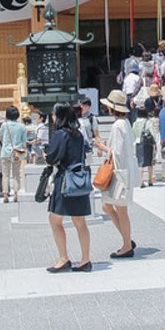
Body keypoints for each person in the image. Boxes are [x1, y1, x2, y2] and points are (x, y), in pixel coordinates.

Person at [44, 102, 92, 273]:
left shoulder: (60, 134)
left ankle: (63, 257)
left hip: (65, 181)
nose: (52, 117)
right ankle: (85, 259)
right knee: (80, 222)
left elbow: (52, 157)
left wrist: (46, 153)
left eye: (54, 114)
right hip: (79, 180)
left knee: (55, 220)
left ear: (60, 116)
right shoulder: (78, 134)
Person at [99, 89, 138, 258]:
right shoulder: (125, 123)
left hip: (119, 172)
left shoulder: (117, 125)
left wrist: (102, 147)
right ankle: (127, 239)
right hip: (124, 170)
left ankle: (127, 245)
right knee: (109, 206)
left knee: (119, 209)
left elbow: (116, 153)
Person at [0, 106, 28, 203]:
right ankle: (16, 194)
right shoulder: (22, 126)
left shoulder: (4, 125)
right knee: (16, 174)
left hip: (6, 152)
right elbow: (24, 141)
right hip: (17, 153)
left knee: (5, 175)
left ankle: (5, 195)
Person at [132, 102, 159, 187]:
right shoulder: (148, 122)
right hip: (147, 143)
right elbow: (152, 132)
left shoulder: (135, 122)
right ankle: (150, 180)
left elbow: (133, 133)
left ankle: (141, 181)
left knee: (140, 162)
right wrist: (155, 141)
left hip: (138, 142)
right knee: (149, 161)